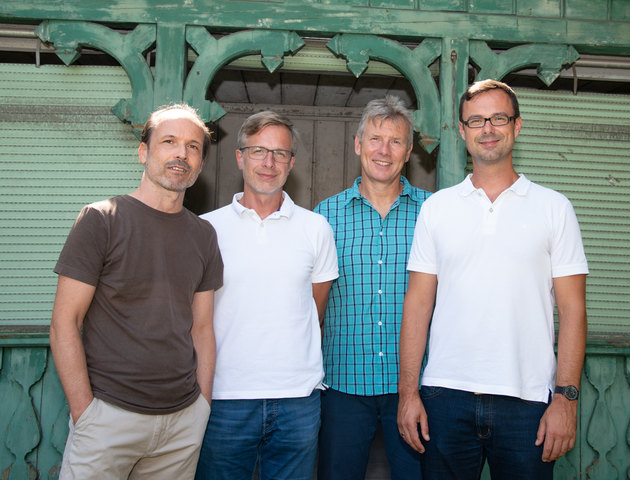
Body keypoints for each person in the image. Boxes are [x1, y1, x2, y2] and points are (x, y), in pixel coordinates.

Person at [397, 79, 588, 479]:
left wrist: (566, 399)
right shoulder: (436, 209)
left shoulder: (555, 208)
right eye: (476, 120)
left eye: (498, 118)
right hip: (445, 397)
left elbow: (572, 309)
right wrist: (408, 393)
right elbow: (417, 304)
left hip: (528, 401)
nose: (488, 128)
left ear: (517, 126)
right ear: (463, 131)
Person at [50, 104, 223, 479]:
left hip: (181, 422)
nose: (182, 153)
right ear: (144, 152)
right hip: (108, 417)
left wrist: (201, 407)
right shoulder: (101, 219)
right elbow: (65, 321)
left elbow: (202, 329)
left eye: (194, 147)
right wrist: (85, 414)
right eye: (169, 142)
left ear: (201, 163)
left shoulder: (204, 235)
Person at [195, 111, 339, 480]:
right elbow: (196, 318)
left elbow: (314, 309)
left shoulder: (316, 228)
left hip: (298, 399)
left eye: (279, 153)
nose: (268, 163)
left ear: (292, 163)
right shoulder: (206, 229)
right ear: (240, 157)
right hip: (224, 397)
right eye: (258, 151)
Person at [314, 96, 430, 480]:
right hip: (344, 384)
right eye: (375, 139)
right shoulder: (323, 217)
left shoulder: (435, 213)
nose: (384, 150)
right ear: (357, 144)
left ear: (409, 150)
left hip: (416, 386)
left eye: (396, 141)